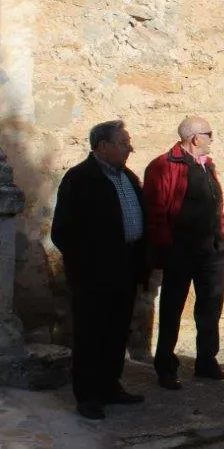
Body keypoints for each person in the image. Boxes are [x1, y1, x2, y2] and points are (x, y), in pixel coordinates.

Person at [52, 120, 148, 420]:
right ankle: (88, 395)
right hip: (93, 274)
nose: (130, 148)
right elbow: (62, 231)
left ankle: (110, 385)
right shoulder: (80, 179)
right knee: (90, 333)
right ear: (103, 146)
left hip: (126, 268)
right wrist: (88, 263)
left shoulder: (128, 177)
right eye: (123, 142)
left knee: (117, 331)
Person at [144, 116, 224, 390]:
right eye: (209, 134)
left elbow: (215, 204)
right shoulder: (163, 166)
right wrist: (165, 247)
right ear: (195, 138)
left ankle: (206, 361)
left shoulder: (206, 165)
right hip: (180, 251)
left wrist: (223, 233)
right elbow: (155, 211)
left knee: (211, 307)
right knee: (172, 310)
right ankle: (166, 368)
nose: (212, 139)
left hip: (211, 251)